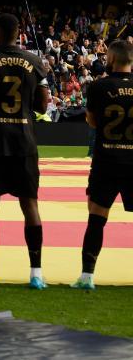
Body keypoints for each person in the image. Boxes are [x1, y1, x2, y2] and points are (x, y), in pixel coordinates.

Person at [0, 13, 51, 289]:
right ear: (19, 33)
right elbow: (42, 106)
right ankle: (36, 274)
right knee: (30, 204)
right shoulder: (35, 62)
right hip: (24, 142)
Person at [75, 40, 133, 290]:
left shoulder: (99, 87)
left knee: (96, 219)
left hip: (106, 162)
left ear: (111, 59)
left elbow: (92, 122)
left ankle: (87, 277)